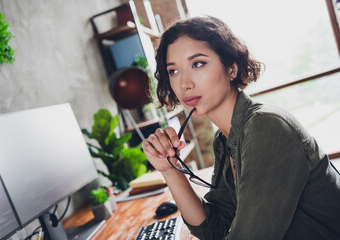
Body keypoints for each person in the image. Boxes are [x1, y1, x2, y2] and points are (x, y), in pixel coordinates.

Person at [141, 15, 340, 240]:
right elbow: (213, 229)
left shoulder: (267, 127)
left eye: (197, 64)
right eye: (173, 71)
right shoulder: (225, 139)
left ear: (231, 68)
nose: (185, 83)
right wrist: (169, 168)